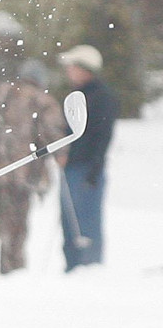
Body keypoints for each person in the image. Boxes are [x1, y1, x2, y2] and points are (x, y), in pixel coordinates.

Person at [0, 59, 69, 275]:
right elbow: (55, 139)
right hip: (20, 178)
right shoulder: (42, 102)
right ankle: (12, 280)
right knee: (14, 233)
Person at [57, 44, 118, 270]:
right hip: (71, 168)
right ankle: (72, 267)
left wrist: (92, 169)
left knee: (86, 223)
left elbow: (101, 138)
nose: (68, 71)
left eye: (72, 67)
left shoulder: (101, 97)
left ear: (85, 68)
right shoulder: (78, 95)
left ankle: (89, 269)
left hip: (87, 170)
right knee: (69, 223)